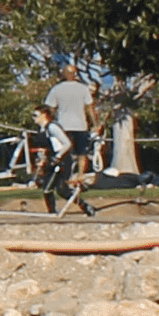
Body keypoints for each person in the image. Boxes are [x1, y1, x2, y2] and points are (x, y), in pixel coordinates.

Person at [39, 66, 99, 214]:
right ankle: (79, 175)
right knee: (81, 152)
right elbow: (90, 108)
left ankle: (67, 175)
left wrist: (51, 122)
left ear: (63, 74)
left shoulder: (57, 89)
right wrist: (96, 124)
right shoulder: (83, 88)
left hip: (63, 126)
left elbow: (50, 109)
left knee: (64, 152)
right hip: (80, 125)